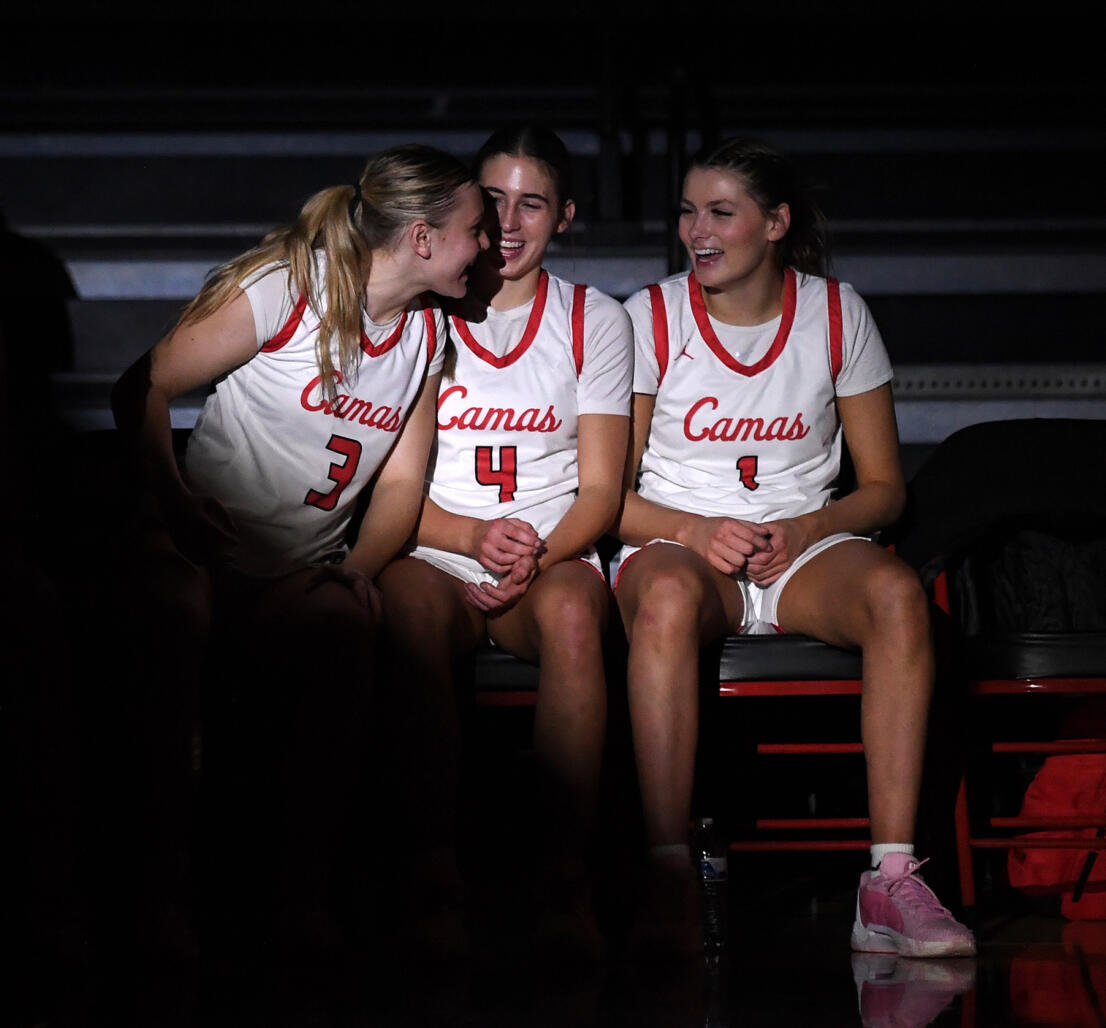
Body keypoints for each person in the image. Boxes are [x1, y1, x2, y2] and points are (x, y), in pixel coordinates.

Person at [109, 144, 488, 961]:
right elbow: (141, 384)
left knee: (344, 627)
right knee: (176, 614)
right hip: (199, 553)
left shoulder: (425, 334)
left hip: (296, 572)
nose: (486, 246)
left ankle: (302, 898)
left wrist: (349, 571)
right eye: (473, 231)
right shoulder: (293, 284)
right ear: (421, 238)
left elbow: (399, 487)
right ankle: (159, 896)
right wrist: (176, 504)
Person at [613, 137, 975, 958]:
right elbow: (610, 499)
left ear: (775, 223)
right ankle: (666, 876)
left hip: (801, 546)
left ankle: (889, 881)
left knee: (895, 596)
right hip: (682, 544)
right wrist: (697, 530)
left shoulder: (837, 312)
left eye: (719, 212)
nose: (695, 231)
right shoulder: (651, 316)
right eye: (686, 211)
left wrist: (809, 528)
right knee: (666, 600)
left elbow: (884, 487)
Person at [377, 126, 632, 957]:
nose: (510, 222)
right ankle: (427, 872)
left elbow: (601, 490)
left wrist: (537, 556)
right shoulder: (422, 309)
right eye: (492, 201)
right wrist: (471, 535)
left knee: (570, 620)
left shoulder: (595, 318)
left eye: (532, 202)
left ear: (565, 214)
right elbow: (389, 490)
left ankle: (563, 878)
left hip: (549, 551)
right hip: (438, 545)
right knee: (407, 610)